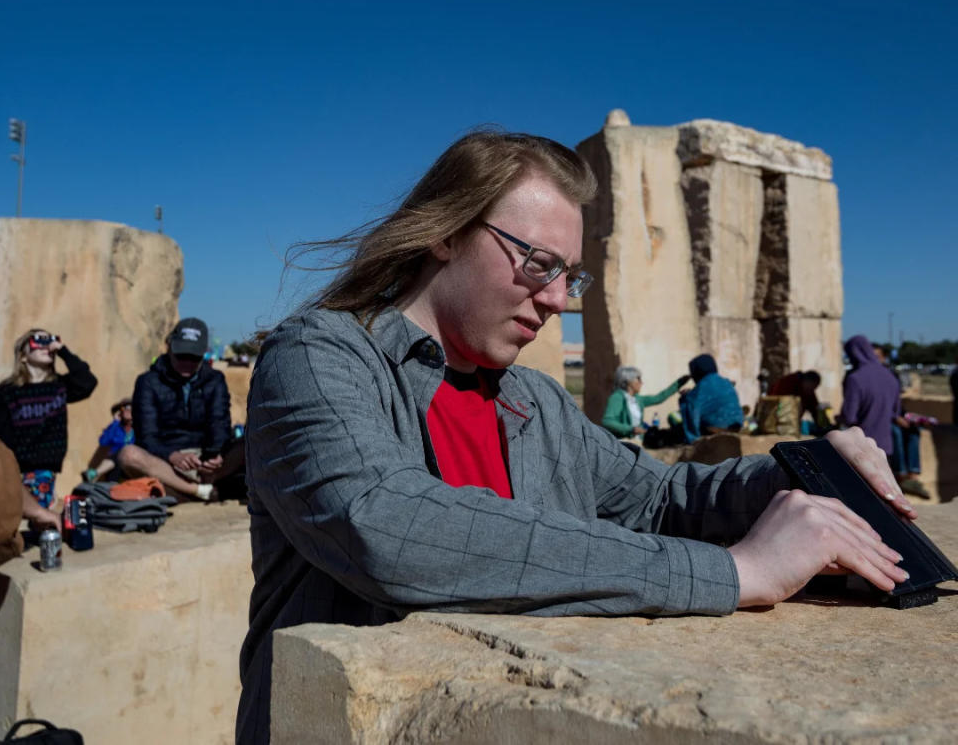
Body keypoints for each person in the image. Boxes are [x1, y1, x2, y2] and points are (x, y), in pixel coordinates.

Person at [237, 130, 912, 744]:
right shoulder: (318, 356)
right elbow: (385, 525)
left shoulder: (533, 401)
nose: (559, 298)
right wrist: (735, 573)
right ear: (445, 232)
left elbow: (657, 498)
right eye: (536, 263)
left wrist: (806, 472)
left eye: (569, 274)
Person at [118, 318, 241, 501]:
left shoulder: (215, 380)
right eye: (181, 355)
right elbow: (147, 436)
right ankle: (196, 491)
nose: (187, 362)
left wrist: (215, 455)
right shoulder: (148, 382)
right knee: (128, 455)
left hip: (206, 463)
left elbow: (219, 422)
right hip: (166, 463)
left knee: (251, 442)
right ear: (170, 348)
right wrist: (172, 455)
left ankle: (189, 489)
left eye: (194, 357)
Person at [0, 329, 97, 510]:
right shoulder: (7, 392)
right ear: (23, 356)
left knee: (37, 509)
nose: (46, 347)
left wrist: (63, 351)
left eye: (49, 341)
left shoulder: (59, 386)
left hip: (44, 467)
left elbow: (87, 382)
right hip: (14, 466)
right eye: (37, 342)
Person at [840, 335, 901, 461]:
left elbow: (849, 417)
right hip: (885, 447)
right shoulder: (890, 376)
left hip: (862, 447)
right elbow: (895, 413)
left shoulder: (855, 378)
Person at [601, 366, 689, 438]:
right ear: (629, 381)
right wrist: (631, 429)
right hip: (624, 443)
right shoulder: (617, 398)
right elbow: (607, 421)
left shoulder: (637, 399)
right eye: (638, 379)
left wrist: (679, 383)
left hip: (639, 440)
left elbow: (659, 398)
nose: (641, 382)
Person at [678, 354, 744, 442]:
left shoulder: (700, 388)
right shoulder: (726, 382)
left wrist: (685, 397)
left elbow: (693, 412)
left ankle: (692, 439)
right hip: (738, 425)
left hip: (716, 428)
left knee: (685, 404)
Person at [86, 397, 135, 482]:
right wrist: (115, 422)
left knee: (121, 455)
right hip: (115, 465)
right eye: (124, 408)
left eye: (130, 407)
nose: (127, 410)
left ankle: (96, 473)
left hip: (131, 464)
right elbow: (103, 442)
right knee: (117, 460)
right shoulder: (116, 427)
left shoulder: (139, 428)